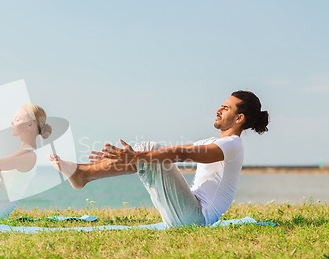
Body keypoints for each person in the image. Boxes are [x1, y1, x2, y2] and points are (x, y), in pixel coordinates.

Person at [49, 91, 269, 227]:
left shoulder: (231, 145)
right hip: (188, 213)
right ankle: (83, 171)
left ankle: (83, 174)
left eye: (226, 108)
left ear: (239, 118)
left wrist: (137, 155)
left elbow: (181, 154)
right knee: (151, 153)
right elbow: (176, 151)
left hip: (195, 218)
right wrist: (131, 158)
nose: (218, 110)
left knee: (151, 150)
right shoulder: (216, 141)